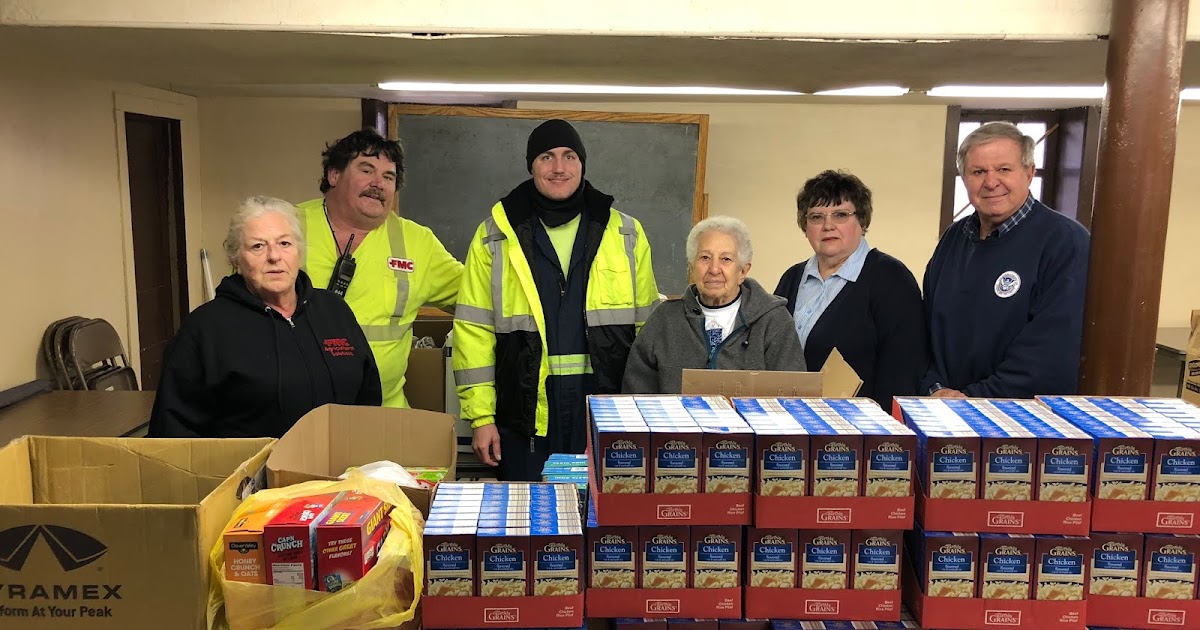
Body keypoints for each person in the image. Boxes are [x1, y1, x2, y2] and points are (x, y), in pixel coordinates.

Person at [454, 119, 660, 481]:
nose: (559, 167)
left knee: (599, 510)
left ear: (582, 163)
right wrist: (481, 417)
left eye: (569, 156)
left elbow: (649, 331)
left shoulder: (625, 233)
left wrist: (645, 410)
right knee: (527, 510)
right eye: (546, 157)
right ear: (531, 165)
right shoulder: (495, 235)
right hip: (524, 415)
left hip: (605, 409)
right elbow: (474, 330)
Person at [149, 196, 381, 438]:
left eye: (284, 243)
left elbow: (368, 398)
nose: (274, 256)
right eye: (258, 246)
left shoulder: (334, 310)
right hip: (251, 463)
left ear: (299, 252)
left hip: (340, 461)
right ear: (236, 259)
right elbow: (173, 431)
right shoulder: (205, 328)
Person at [922, 122, 1090, 398]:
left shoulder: (1066, 242)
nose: (991, 182)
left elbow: (1053, 355)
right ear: (964, 178)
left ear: (1029, 173)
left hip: (1019, 416)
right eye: (978, 172)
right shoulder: (953, 238)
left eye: (1003, 169)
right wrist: (934, 387)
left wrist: (972, 399)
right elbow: (926, 329)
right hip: (943, 407)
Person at [296, 129, 463, 408]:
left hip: (383, 412)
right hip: (296, 413)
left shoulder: (417, 242)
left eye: (388, 177)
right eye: (366, 170)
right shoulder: (285, 226)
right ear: (333, 175)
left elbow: (478, 296)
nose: (378, 184)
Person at [774, 170, 926, 410]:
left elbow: (902, 374)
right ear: (805, 225)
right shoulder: (792, 278)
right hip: (790, 419)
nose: (828, 226)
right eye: (816, 217)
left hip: (859, 425)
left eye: (841, 215)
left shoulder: (892, 279)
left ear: (862, 221)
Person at [623, 216, 806, 394]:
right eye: (705, 257)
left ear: (743, 271)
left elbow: (792, 396)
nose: (714, 269)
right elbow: (636, 394)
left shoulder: (775, 321)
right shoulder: (664, 320)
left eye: (726, 259)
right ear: (691, 268)